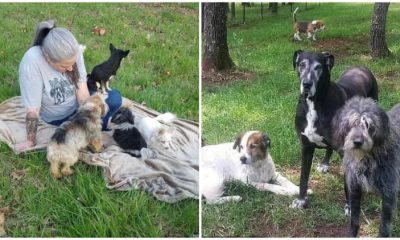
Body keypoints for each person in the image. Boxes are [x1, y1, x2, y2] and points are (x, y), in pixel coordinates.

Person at [15, 20, 122, 152]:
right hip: (59, 117)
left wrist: (88, 114)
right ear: (49, 58)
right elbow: (33, 110)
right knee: (75, 134)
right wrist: (30, 140)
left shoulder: (72, 49)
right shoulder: (31, 63)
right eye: (65, 66)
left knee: (115, 99)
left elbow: (82, 87)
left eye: (72, 63)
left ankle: (100, 125)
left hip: (78, 108)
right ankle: (100, 125)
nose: (71, 69)